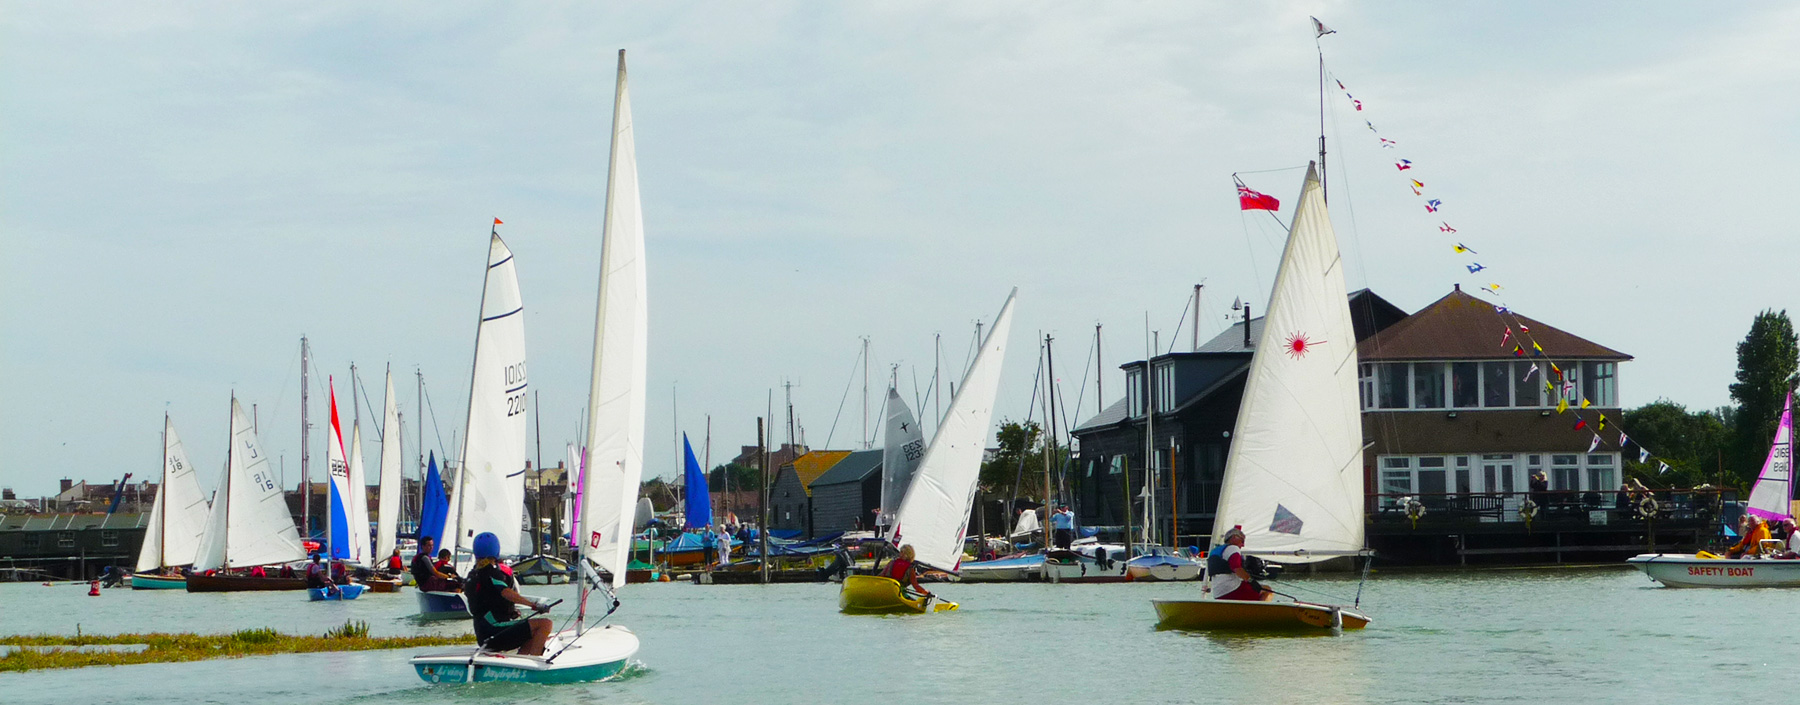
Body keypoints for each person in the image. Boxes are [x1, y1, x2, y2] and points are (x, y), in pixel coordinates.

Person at [465, 532, 553, 656]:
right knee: (545, 624)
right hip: (494, 630)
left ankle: (521, 661)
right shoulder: (491, 572)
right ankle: (533, 664)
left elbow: (484, 602)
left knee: (530, 630)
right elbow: (506, 592)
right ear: (496, 550)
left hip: (482, 634)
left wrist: (510, 611)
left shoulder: (472, 575)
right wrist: (533, 605)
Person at [1206, 526, 1272, 602]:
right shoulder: (1233, 548)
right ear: (1234, 537)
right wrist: (1251, 581)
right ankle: (1258, 611)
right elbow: (1236, 568)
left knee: (1253, 587)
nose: (1243, 545)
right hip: (1232, 590)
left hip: (1218, 594)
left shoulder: (1215, 551)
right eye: (1242, 541)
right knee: (1267, 589)